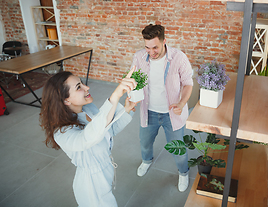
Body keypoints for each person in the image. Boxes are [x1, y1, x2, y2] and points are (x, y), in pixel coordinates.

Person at [39, 67, 137, 207]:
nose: (87, 87)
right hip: (91, 185)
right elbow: (88, 137)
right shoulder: (62, 133)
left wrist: (126, 110)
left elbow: (109, 130)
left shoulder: (88, 109)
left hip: (105, 171)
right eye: (79, 87)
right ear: (66, 100)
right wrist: (115, 96)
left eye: (82, 83)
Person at [131, 24, 193, 192]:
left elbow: (188, 83)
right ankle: (146, 161)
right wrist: (131, 97)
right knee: (144, 142)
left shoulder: (179, 57)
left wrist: (181, 103)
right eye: (147, 47)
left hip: (171, 113)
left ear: (164, 41)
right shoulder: (139, 57)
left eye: (155, 47)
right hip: (148, 112)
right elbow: (133, 80)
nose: (151, 52)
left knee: (178, 148)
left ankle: (183, 172)